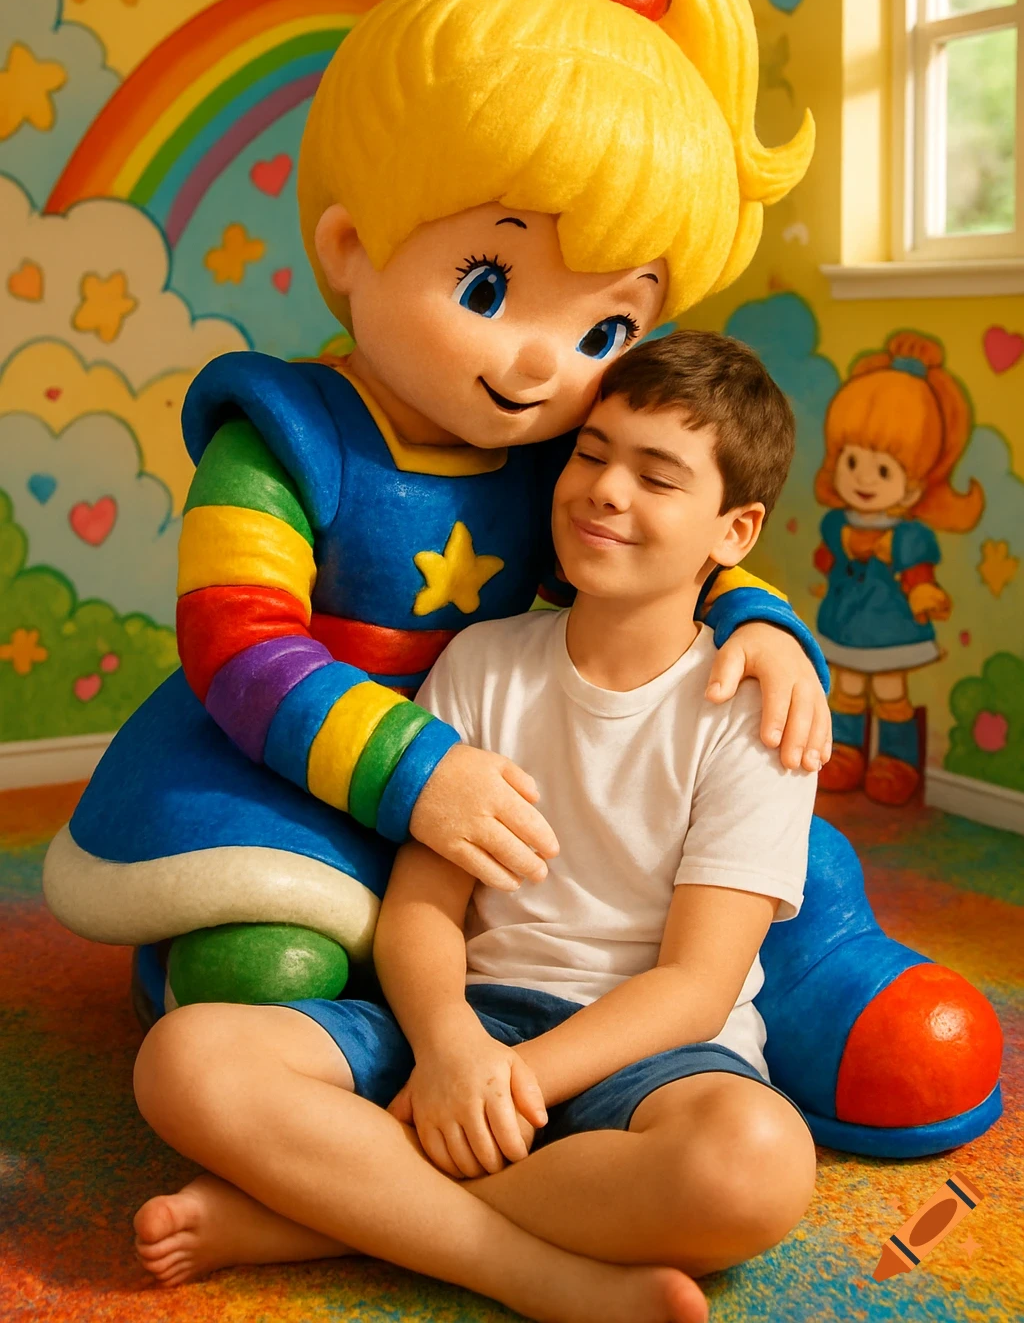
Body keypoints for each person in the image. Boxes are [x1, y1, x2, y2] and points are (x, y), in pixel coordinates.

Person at [44, 0, 831, 1019]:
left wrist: (756, 621)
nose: (542, 364)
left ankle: (832, 984)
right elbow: (237, 642)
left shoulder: (566, 453)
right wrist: (418, 771)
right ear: (351, 246)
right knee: (281, 957)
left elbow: (657, 550)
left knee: (751, 858)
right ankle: (253, 1006)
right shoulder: (285, 436)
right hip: (295, 756)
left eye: (605, 329)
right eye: (487, 286)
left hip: (511, 752)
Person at [131, 330, 818, 1323]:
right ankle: (531, 1273)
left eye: (657, 476)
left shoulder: (761, 711)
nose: (605, 490)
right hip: (469, 1014)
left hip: (652, 1058)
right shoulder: (483, 661)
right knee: (185, 1060)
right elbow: (422, 909)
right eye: (590, 454)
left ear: (735, 531)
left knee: (757, 1168)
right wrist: (453, 1048)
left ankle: (322, 1218)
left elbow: (696, 986)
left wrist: (508, 1084)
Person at [813, 332, 984, 806]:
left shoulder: (910, 536)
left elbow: (918, 574)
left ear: (913, 487)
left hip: (891, 628)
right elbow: (829, 556)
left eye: (884, 470)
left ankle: (896, 760)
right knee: (846, 688)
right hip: (845, 623)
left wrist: (924, 591)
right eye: (852, 460)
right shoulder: (837, 524)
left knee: (890, 691)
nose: (864, 478)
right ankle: (844, 751)